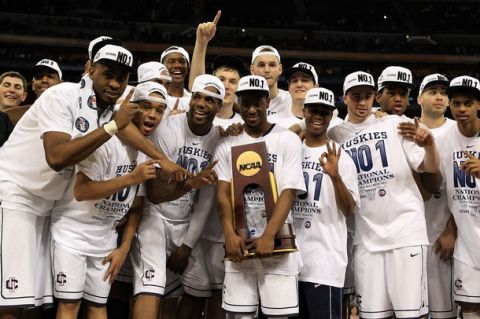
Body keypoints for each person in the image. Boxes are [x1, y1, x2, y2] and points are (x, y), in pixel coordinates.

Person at [0, 43, 138, 319]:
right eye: (107, 74)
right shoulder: (63, 94)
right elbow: (57, 157)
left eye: (121, 78)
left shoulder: (104, 111)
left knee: (34, 301)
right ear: (89, 69)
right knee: (11, 302)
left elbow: (132, 136)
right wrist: (112, 128)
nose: (114, 83)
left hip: (46, 205)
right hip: (16, 195)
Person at [50, 81, 167, 319]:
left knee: (97, 306)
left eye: (159, 110)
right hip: (73, 234)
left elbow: (137, 206)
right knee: (69, 306)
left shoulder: (146, 149)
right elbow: (82, 192)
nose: (152, 115)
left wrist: (123, 249)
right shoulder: (104, 139)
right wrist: (130, 178)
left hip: (105, 239)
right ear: (130, 108)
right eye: (146, 107)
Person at [328, 71, 439, 319]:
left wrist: (429, 144)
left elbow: (428, 167)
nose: (362, 103)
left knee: (411, 315)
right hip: (366, 239)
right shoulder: (335, 134)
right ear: (344, 98)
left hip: (405, 232)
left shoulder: (394, 123)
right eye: (355, 97)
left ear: (375, 97)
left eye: (367, 97)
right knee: (372, 315)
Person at [130, 74, 223, 319]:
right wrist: (191, 182)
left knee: (186, 290)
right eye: (199, 97)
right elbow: (155, 192)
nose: (202, 103)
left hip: (186, 222)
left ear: (219, 107)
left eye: (211, 99)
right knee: (151, 286)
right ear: (190, 100)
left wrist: (187, 246)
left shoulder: (220, 140)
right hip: (155, 216)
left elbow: (206, 200)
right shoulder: (166, 128)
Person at [215, 75, 306, 318]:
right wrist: (229, 235)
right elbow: (222, 194)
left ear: (268, 101)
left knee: (278, 316)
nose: (252, 109)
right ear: (239, 103)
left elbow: (289, 191)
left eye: (258, 102)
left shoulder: (287, 139)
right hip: (240, 244)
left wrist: (269, 234)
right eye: (246, 103)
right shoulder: (227, 144)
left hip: (277, 243)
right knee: (239, 315)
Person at [293, 87, 360, 319]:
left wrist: (335, 176)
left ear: (332, 115)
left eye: (324, 112)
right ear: (304, 111)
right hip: (289, 262)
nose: (318, 116)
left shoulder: (341, 156)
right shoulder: (290, 151)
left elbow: (350, 209)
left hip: (324, 263)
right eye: (313, 110)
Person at [437, 76, 480, 319]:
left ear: (478, 105)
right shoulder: (444, 140)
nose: (462, 109)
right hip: (466, 239)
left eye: (468, 103)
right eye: (456, 103)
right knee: (470, 307)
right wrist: (451, 229)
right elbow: (448, 194)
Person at [417, 74, 458, 319]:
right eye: (433, 91)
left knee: (444, 311)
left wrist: (452, 230)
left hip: (445, 231)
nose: (440, 96)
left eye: (444, 92)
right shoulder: (404, 127)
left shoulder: (459, 129)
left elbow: (467, 191)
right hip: (411, 233)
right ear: (419, 98)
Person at [269, 62, 318, 129]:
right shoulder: (271, 122)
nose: (299, 85)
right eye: (294, 80)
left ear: (316, 87)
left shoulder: (328, 123)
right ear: (289, 88)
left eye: (305, 80)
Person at [250, 45, 291, 115]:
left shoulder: (291, 100)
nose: (267, 70)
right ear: (252, 70)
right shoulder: (241, 100)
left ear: (280, 69)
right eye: (261, 65)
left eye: (272, 65)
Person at [160, 45, 192, 112]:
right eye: (171, 61)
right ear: (162, 68)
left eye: (181, 61)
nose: (177, 65)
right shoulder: (157, 98)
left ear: (188, 67)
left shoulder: (193, 99)